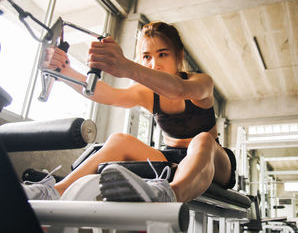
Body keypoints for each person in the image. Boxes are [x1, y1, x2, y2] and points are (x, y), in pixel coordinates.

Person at [22, 21, 236, 203]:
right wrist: (65, 71)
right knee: (118, 140)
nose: (154, 64)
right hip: (171, 158)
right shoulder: (146, 92)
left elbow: (178, 90)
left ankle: (169, 195)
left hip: (214, 158)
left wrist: (127, 67)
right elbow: (109, 95)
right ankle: (55, 191)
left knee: (202, 140)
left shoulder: (200, 82)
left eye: (162, 54)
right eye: (146, 57)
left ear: (178, 56)